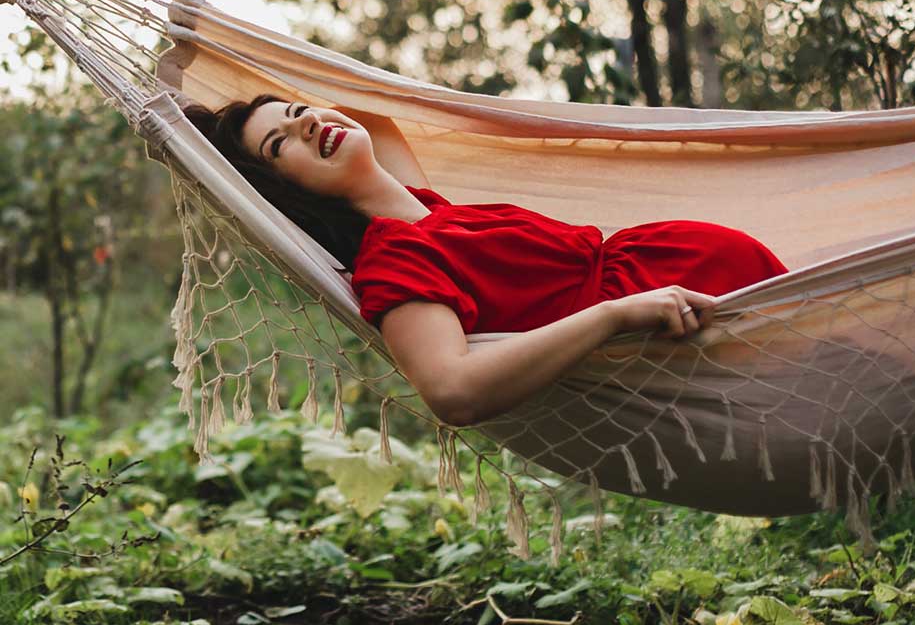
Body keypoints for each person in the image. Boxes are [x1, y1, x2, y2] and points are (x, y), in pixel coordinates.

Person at [183, 95, 789, 427]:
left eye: (296, 109)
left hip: (731, 289)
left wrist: (213, 41)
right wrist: (617, 315)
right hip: (687, 328)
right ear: (285, 191)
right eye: (280, 143)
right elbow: (453, 393)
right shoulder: (392, 259)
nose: (309, 121)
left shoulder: (425, 208)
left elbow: (370, 108)